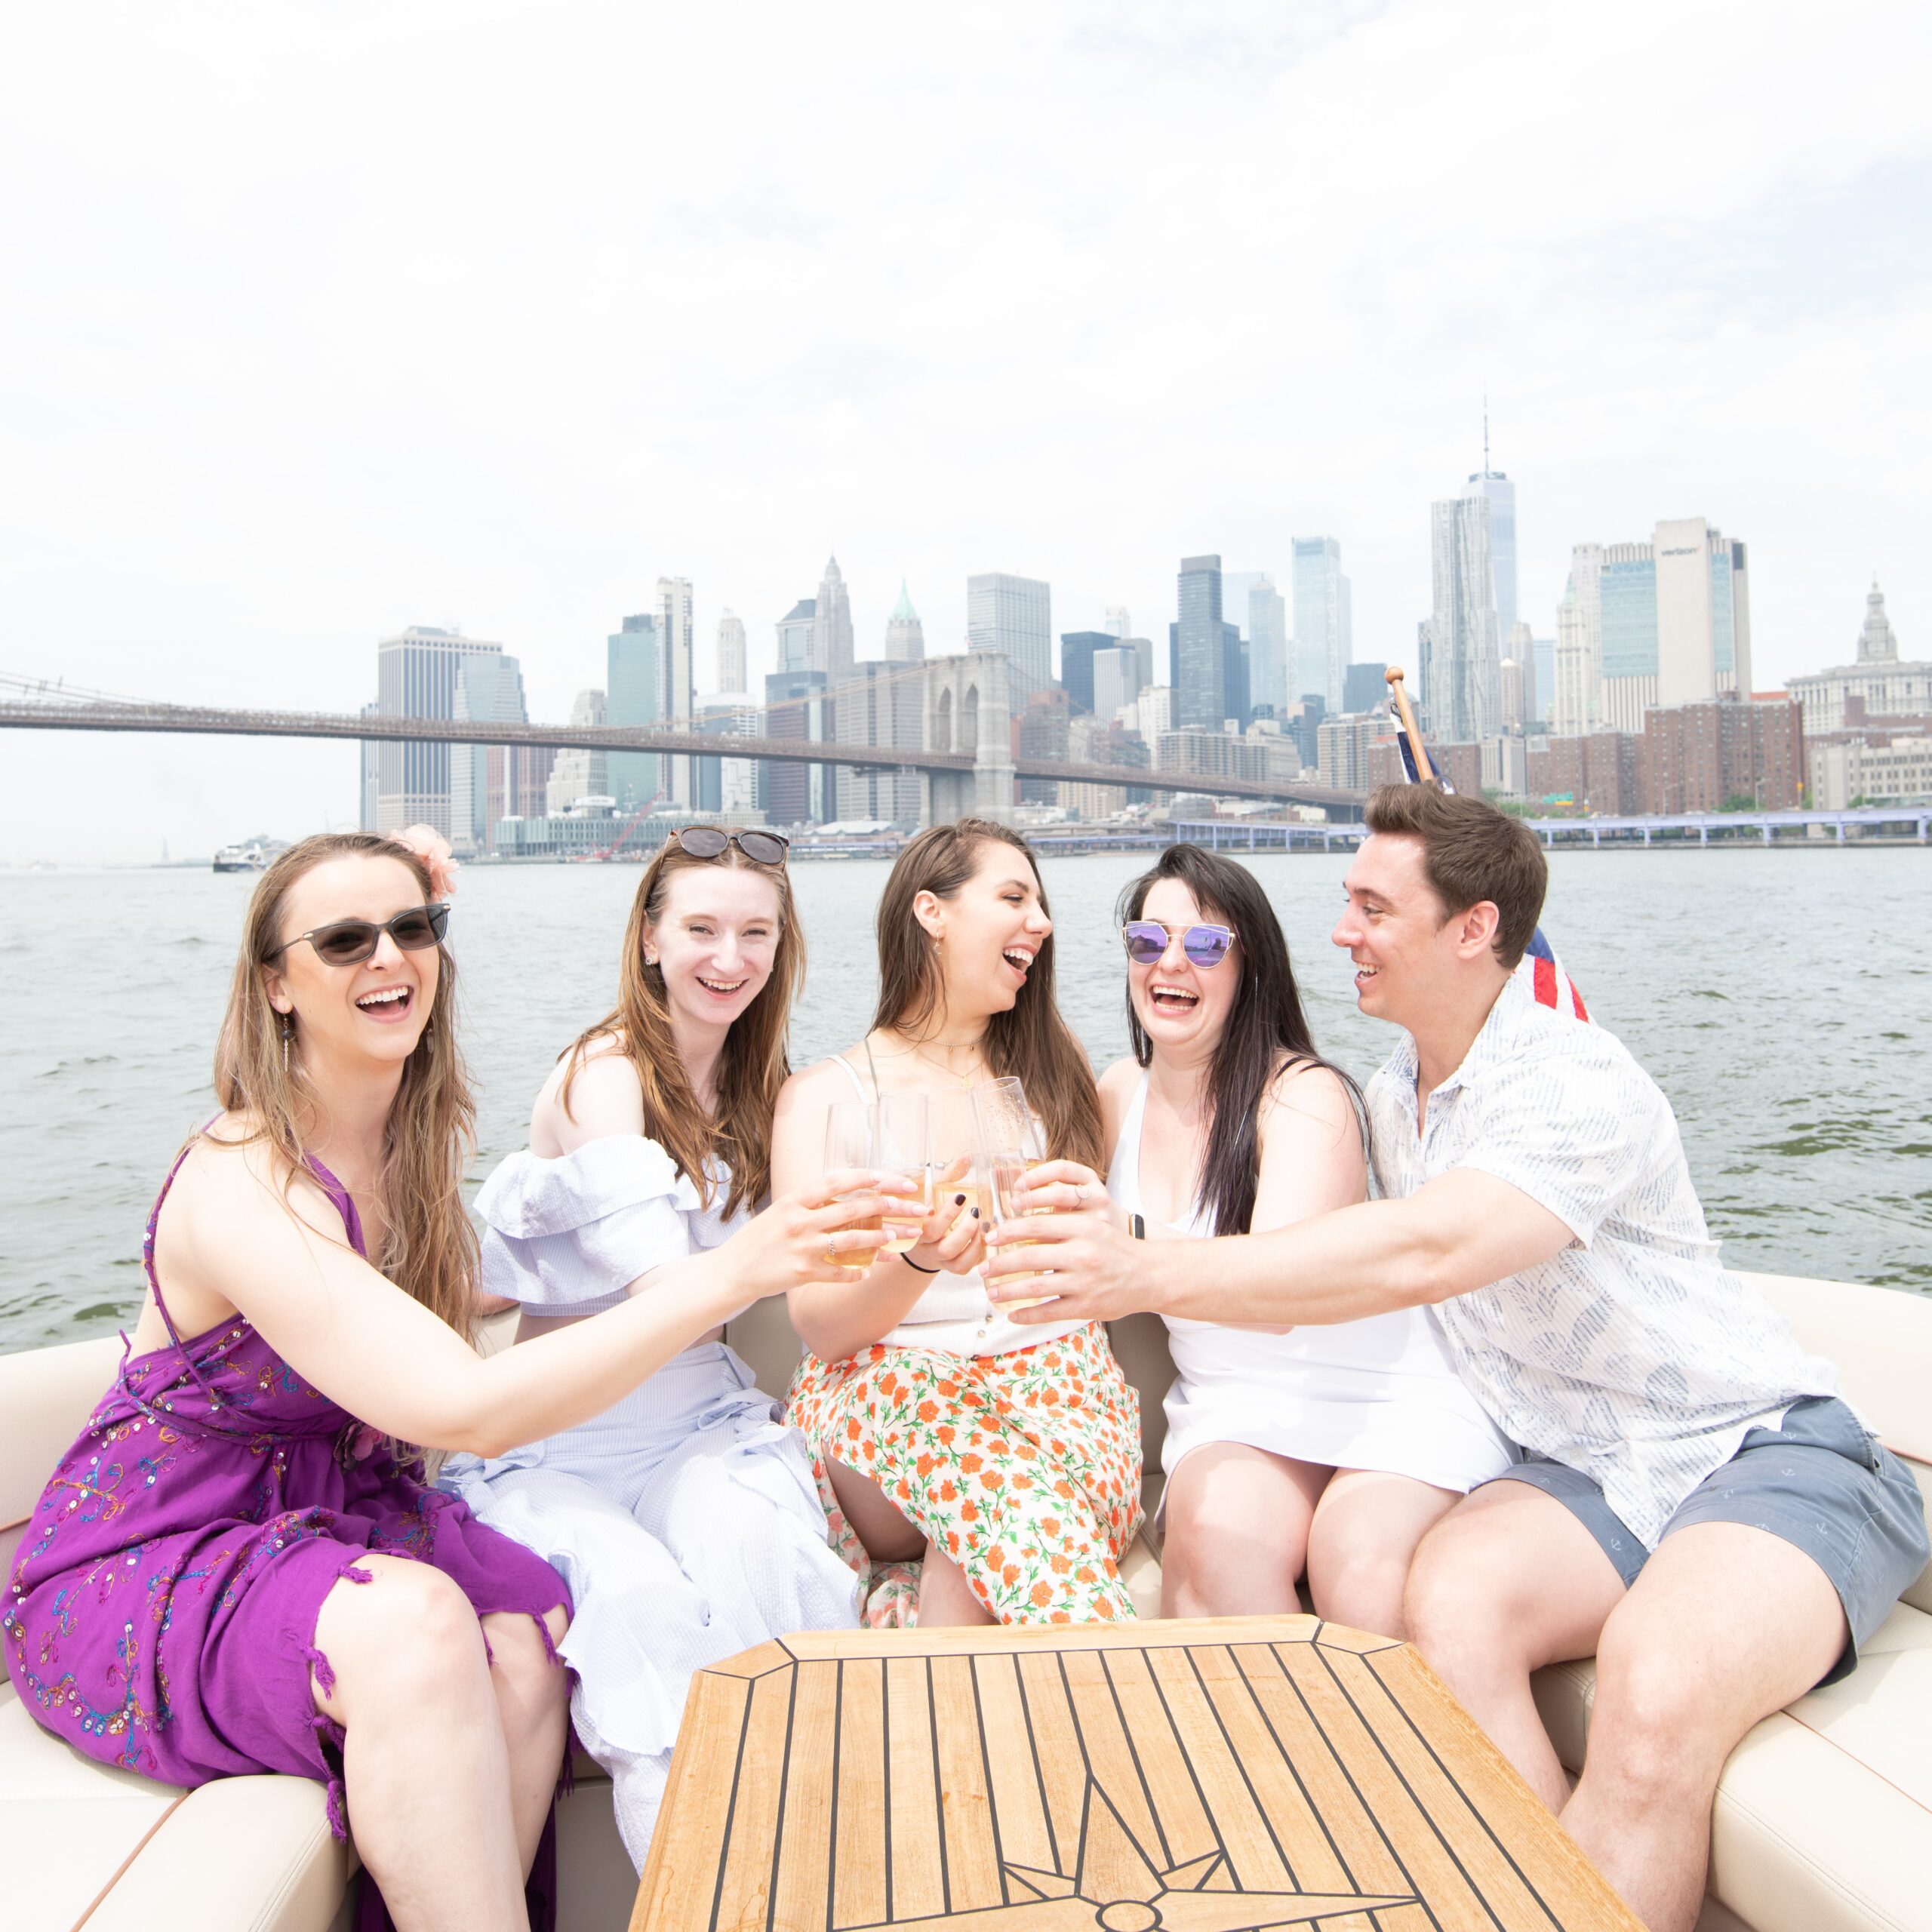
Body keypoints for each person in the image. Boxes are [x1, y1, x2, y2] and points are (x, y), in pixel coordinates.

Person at [986, 784, 1929, 1932]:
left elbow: (1426, 1249)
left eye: (1375, 909)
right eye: (1346, 904)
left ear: (1473, 930)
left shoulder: (1572, 1080)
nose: (1344, 933)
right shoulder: (1395, 1097)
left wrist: (1138, 1272)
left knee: (1654, 1686)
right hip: (1580, 1467)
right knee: (1445, 1600)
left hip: (1758, 1448)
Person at [2, 830, 892, 1932]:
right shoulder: (241, 1178)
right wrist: (741, 1270)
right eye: (343, 939)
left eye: (412, 927)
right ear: (276, 984)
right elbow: (464, 1410)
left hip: (335, 1511)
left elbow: (451, 1303)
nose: (389, 956)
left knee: (526, 1637)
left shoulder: (407, 1157)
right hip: (161, 1547)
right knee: (421, 1622)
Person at [441, 827, 879, 1866]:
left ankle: (836, 1867)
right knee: (640, 1610)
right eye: (701, 930)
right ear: (647, 939)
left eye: (755, 934)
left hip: (697, 1422)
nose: (729, 959)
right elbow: (658, 1283)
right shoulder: (605, 1075)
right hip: (562, 1443)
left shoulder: (762, 1091)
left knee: (771, 1565)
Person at [1103, 843, 1509, 1632]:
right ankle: (1275, 1753)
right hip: (1232, 1407)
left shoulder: (1302, 1096)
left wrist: (1118, 1250)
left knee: (1358, 1567)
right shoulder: (1117, 1093)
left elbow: (1274, 1298)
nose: (1169, 964)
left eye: (1206, 944)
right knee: (1216, 1541)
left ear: (1249, 966)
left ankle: (1397, 1753)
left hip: (1388, 1401)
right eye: (1147, 942)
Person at [774, 817, 1143, 1627]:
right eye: (1012, 896)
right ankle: (1107, 1669)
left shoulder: (1055, 1073)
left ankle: (947, 1681)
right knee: (965, 1451)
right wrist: (915, 1262)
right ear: (930, 912)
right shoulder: (826, 1098)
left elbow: (1102, 1271)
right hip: (891, 1407)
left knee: (964, 1566)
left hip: (1056, 1397)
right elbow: (823, 1330)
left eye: (1040, 904)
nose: (1040, 923)